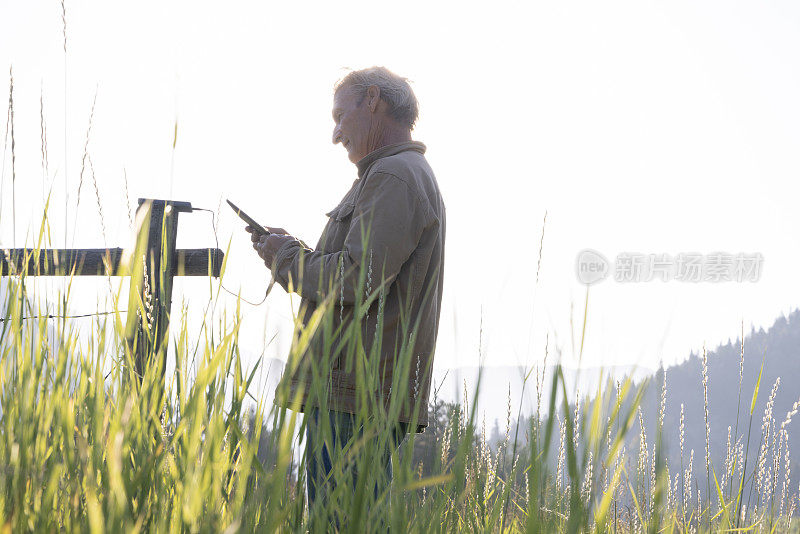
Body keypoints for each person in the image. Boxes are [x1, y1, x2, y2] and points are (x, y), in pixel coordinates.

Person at [247, 66, 446, 527]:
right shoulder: (392, 174)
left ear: (373, 100)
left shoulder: (394, 176)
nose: (336, 135)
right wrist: (293, 252)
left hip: (355, 392)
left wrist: (288, 259)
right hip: (354, 390)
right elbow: (362, 268)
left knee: (339, 522)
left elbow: (358, 278)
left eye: (341, 117)